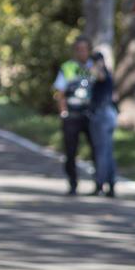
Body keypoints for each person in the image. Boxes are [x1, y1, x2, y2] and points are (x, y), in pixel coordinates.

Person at [53, 36, 97, 195]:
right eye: (78, 50)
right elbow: (60, 92)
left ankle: (98, 182)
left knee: (96, 149)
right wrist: (63, 112)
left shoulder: (96, 67)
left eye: (84, 49)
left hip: (90, 114)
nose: (81, 53)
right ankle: (72, 183)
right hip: (72, 113)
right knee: (70, 150)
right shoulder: (68, 67)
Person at [88, 51, 118, 197]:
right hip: (106, 114)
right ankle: (109, 184)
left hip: (103, 114)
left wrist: (96, 67)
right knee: (106, 151)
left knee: (102, 152)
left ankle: (101, 184)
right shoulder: (105, 74)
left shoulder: (102, 73)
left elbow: (100, 75)